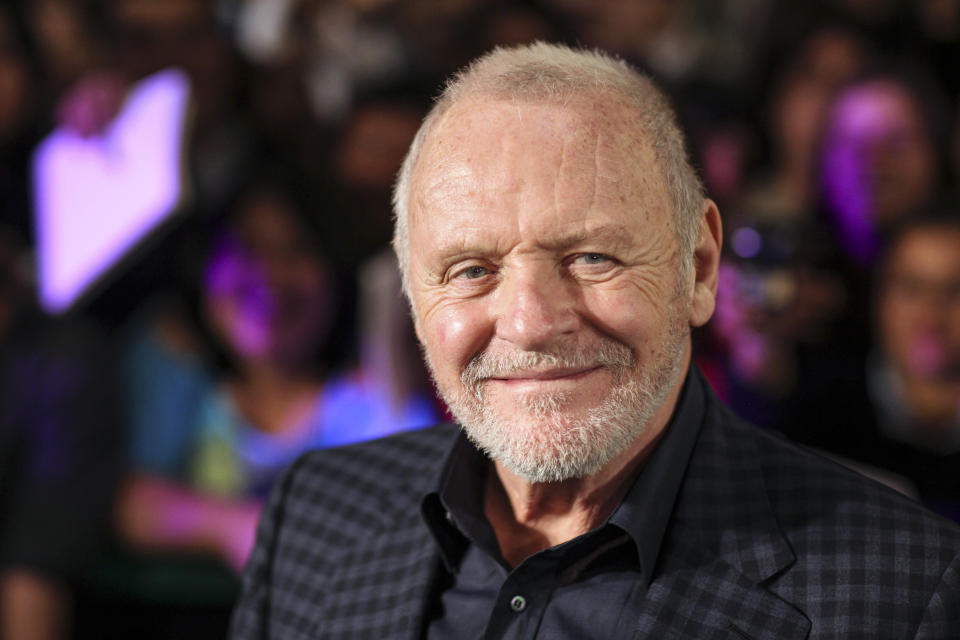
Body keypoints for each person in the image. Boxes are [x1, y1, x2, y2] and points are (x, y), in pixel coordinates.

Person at [231, 43, 960, 638]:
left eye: (591, 257)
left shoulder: (899, 587)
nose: (529, 322)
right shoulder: (316, 514)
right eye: (472, 269)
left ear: (699, 267)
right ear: (414, 295)